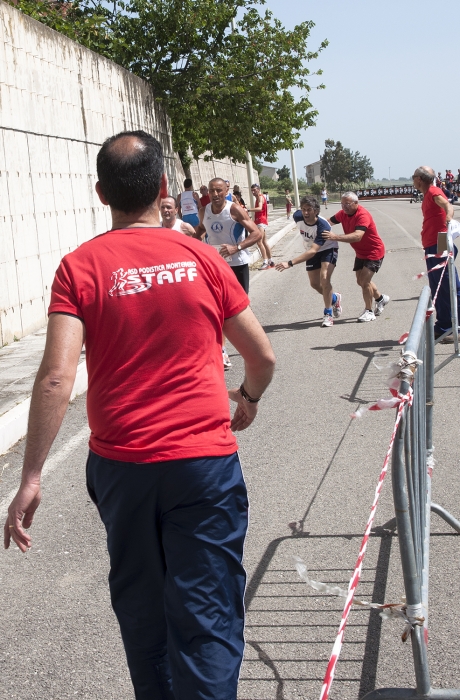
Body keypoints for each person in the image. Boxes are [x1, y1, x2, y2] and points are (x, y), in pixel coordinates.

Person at [4, 130, 276, 700]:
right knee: (207, 612)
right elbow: (262, 355)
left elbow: (57, 375)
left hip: (122, 466)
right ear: (162, 188)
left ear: (102, 194)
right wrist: (246, 398)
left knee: (143, 608)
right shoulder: (201, 257)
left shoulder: (79, 267)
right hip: (203, 464)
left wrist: (31, 478)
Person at [196, 177, 262, 369]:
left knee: (238, 310)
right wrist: (192, 245)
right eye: (211, 191)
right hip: (214, 265)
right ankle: (222, 351)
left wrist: (237, 247)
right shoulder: (204, 211)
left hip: (237, 264)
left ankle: (252, 347)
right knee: (217, 308)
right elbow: (201, 229)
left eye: (218, 191)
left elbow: (256, 232)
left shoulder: (233, 209)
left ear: (226, 191)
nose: (215, 195)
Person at [275, 196, 342, 327]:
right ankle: (334, 298)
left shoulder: (323, 226)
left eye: (309, 210)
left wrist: (289, 263)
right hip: (310, 248)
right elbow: (311, 250)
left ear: (316, 211)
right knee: (315, 284)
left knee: (324, 278)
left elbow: (313, 251)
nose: (306, 213)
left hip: (327, 248)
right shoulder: (297, 216)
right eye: (304, 209)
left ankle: (328, 314)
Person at [323, 192, 389, 322]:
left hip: (374, 251)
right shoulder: (343, 214)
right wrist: (312, 224)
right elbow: (328, 222)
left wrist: (335, 237)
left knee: (364, 281)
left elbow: (358, 236)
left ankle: (369, 311)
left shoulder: (362, 215)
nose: (344, 207)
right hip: (360, 252)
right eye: (342, 204)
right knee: (361, 281)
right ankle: (381, 299)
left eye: (347, 204)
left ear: (356, 203)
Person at [412, 165, 460, 342]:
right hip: (435, 244)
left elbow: (446, 204)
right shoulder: (429, 193)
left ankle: (448, 326)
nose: (413, 180)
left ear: (419, 179)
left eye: (413, 176)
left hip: (438, 245)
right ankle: (449, 324)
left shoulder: (432, 192)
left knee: (443, 285)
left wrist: (448, 217)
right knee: (445, 284)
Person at [248, 183, 274, 270]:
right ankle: (270, 261)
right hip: (261, 221)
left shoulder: (260, 197)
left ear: (258, 190)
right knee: (264, 242)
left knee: (259, 242)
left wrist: (248, 209)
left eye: (254, 190)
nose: (253, 192)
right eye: (252, 190)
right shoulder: (260, 197)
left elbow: (259, 208)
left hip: (261, 222)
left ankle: (265, 262)